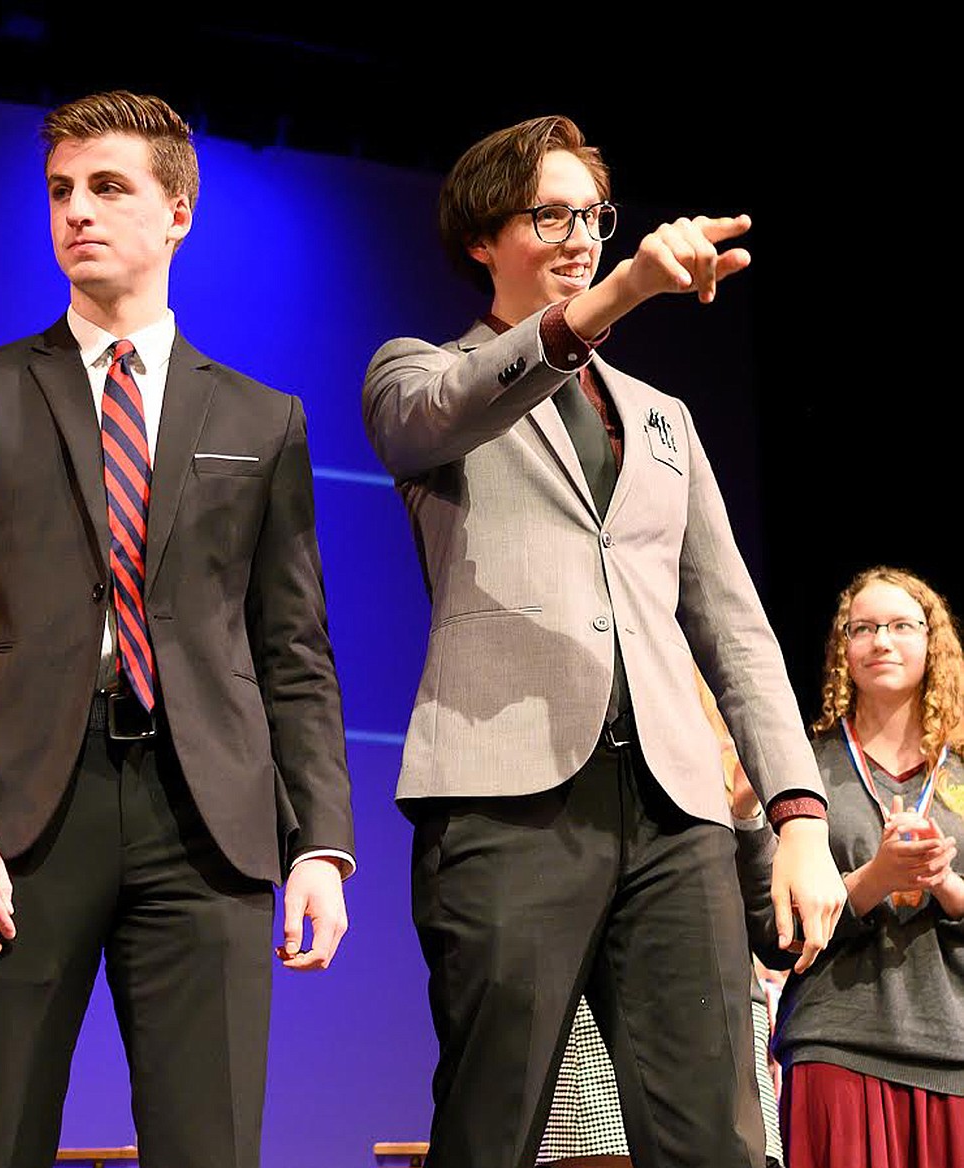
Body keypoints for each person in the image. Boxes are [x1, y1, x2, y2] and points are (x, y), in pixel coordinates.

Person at [0, 90, 355, 1168]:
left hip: (210, 824)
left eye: (107, 187)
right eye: (59, 191)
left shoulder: (261, 418)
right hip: (20, 821)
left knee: (211, 1149)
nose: (76, 211)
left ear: (177, 210)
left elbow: (293, 648)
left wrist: (320, 842)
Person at [360, 114, 846, 1168]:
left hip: (676, 813)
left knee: (716, 1133)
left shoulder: (662, 417)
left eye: (593, 215)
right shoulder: (418, 373)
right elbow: (437, 418)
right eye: (550, 213)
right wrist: (621, 291)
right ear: (483, 236)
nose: (580, 234)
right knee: (493, 1124)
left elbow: (734, 623)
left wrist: (798, 812)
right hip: (506, 801)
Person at [537, 672, 787, 1168]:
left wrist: (747, 815)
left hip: (718, 1020)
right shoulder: (585, 712)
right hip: (599, 1025)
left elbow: (770, 927)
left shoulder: (726, 726)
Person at [770, 566, 964, 1167]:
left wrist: (946, 885)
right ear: (842, 652)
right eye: (864, 628)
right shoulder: (804, 772)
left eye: (902, 625)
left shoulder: (961, 770)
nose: (882, 641)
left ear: (933, 644)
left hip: (955, 1048)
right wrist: (877, 877)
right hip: (840, 1044)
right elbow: (779, 926)